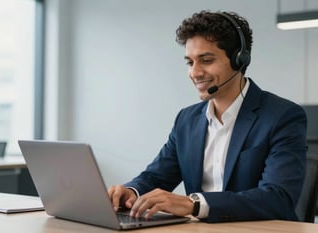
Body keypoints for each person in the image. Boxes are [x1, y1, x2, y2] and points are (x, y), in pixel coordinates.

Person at [108, 10, 307, 223]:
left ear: (239, 59)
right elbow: (156, 176)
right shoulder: (187, 120)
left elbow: (278, 198)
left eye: (206, 60)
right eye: (190, 62)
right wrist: (131, 192)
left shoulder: (282, 116)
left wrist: (194, 204)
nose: (195, 72)